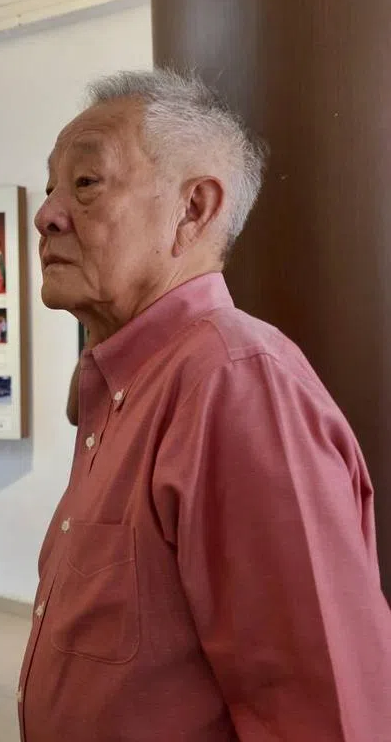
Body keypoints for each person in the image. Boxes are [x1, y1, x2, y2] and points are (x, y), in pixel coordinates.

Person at [20, 68, 391, 740]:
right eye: (51, 187)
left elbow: (323, 711)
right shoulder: (130, 381)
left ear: (192, 210)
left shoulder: (237, 384)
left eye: (86, 182)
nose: (46, 213)